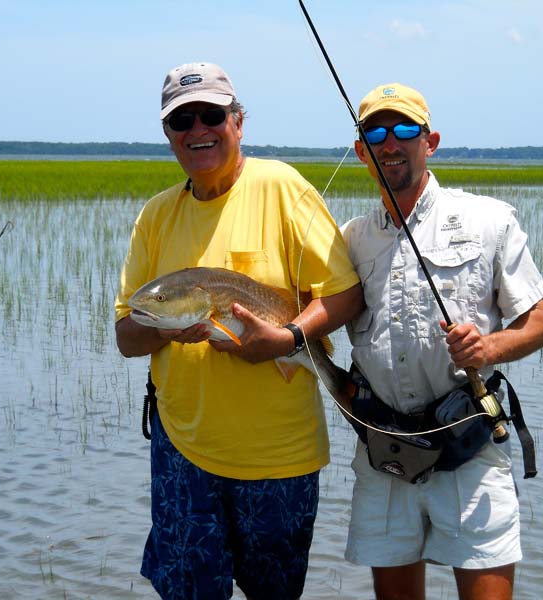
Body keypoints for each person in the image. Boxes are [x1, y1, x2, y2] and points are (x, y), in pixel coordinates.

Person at [114, 62, 363, 600]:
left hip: (279, 458)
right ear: (168, 135)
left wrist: (290, 341)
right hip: (182, 451)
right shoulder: (156, 217)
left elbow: (344, 293)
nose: (197, 130)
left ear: (239, 122)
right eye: (182, 120)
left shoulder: (281, 187)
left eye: (211, 115)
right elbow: (127, 332)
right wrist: (163, 329)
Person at [340, 83, 543, 600]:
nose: (389, 142)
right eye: (375, 131)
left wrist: (489, 349)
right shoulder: (350, 238)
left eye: (405, 130)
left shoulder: (489, 219)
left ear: (430, 140)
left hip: (469, 449)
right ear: (361, 151)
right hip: (385, 456)